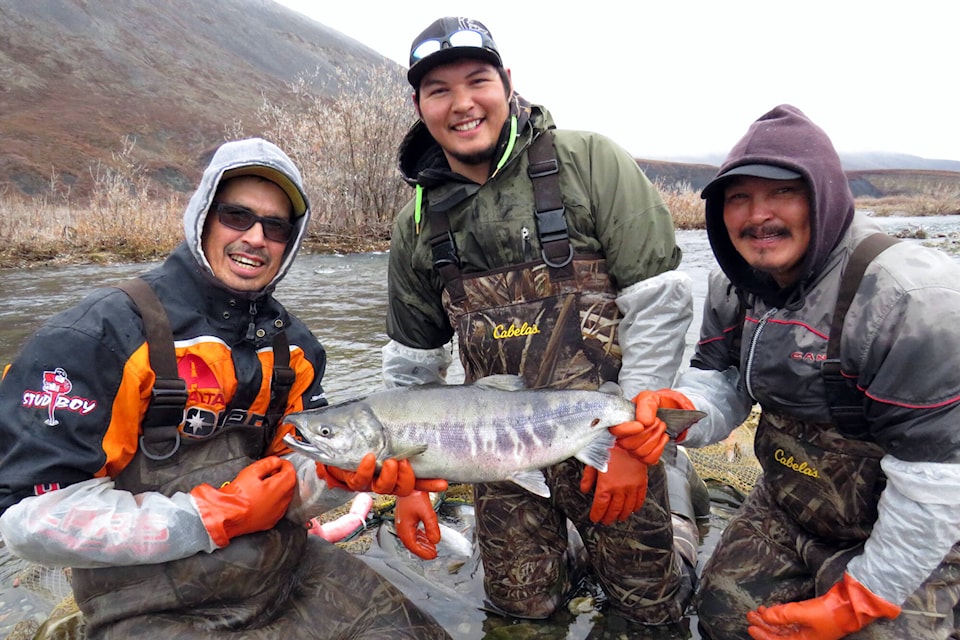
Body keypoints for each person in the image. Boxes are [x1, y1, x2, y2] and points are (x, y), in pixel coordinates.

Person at [0, 138, 451, 639]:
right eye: (237, 216)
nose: (256, 237)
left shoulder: (296, 350)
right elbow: (31, 522)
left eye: (275, 226)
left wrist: (336, 478)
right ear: (203, 218)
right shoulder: (96, 337)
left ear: (290, 241)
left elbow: (290, 489)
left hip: (290, 573)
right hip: (148, 607)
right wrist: (215, 516)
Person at [380, 15, 704, 625]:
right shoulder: (415, 224)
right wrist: (413, 484)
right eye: (438, 91)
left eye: (477, 81)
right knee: (520, 612)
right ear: (420, 106)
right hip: (496, 456)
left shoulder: (590, 161)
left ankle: (680, 504)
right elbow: (412, 369)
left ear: (507, 82)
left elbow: (658, 306)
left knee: (652, 610)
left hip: (605, 430)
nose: (462, 103)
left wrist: (636, 444)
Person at [660, 104, 960, 639]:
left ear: (824, 196)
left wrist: (860, 597)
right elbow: (721, 380)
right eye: (739, 198)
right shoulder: (735, 281)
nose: (758, 215)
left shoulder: (911, 301)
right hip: (789, 505)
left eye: (782, 192)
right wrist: (683, 414)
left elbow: (935, 481)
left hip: (917, 518)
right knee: (725, 620)